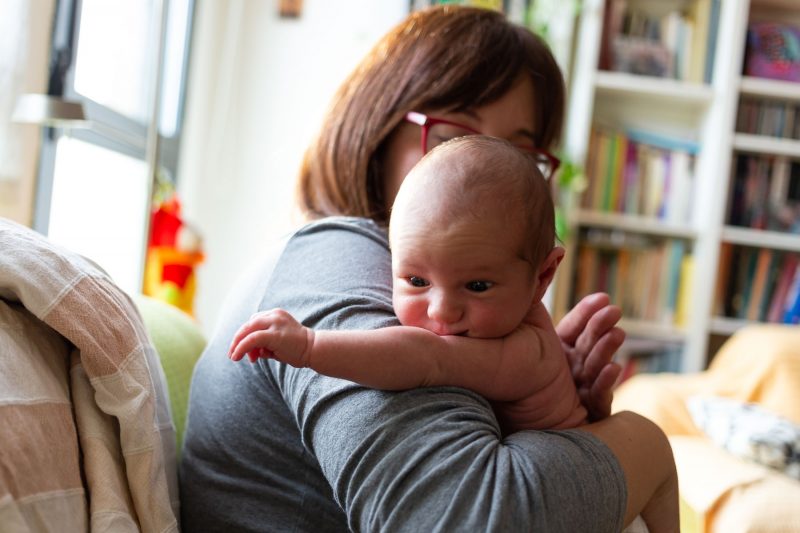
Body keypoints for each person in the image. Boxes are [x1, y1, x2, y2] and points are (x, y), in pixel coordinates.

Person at [180, 6, 678, 532]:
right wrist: (634, 448)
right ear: (377, 130)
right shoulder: (334, 257)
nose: (481, 176)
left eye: (517, 154)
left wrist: (556, 414)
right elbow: (459, 520)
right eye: (450, 136)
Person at [228, 136, 589, 434]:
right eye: (417, 281)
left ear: (542, 277)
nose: (441, 311)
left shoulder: (528, 352)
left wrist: (310, 346)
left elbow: (425, 358)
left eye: (478, 286)